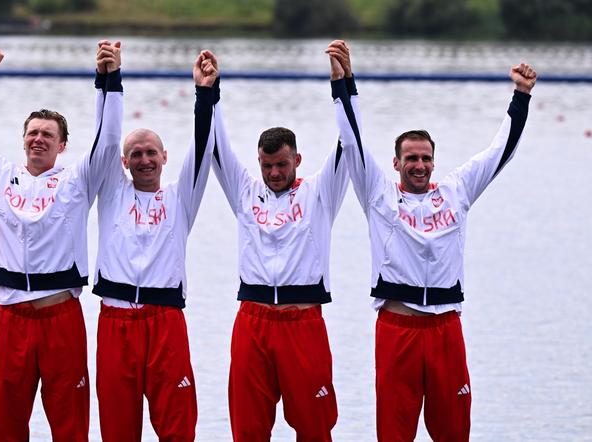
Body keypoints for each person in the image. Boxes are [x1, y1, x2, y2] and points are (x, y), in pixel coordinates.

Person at [332, 44, 537, 441]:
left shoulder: (457, 190)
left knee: (454, 431)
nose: (420, 165)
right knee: (394, 432)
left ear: (434, 161)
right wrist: (344, 84)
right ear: (396, 163)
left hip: (446, 330)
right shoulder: (378, 194)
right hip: (397, 330)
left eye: (426, 158)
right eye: (411, 158)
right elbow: (353, 141)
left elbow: (501, 152)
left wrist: (522, 96)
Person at [0, 43, 123, 441]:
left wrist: (108, 79)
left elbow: (108, 140)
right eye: (33, 133)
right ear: (23, 139)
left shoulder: (78, 180)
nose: (38, 139)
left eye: (48, 135)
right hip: (12, 320)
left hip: (61, 318)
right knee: (7, 425)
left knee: (70, 425)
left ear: (62, 146)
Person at [210, 40, 356, 441]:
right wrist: (209, 93)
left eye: (282, 164)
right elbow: (217, 147)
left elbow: (350, 145)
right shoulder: (244, 191)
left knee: (315, 427)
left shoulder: (320, 193)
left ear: (298, 160)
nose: (274, 173)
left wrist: (343, 85)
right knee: (248, 428)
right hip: (252, 321)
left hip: (302, 323)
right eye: (267, 165)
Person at [92, 49, 220, 441]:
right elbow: (106, 135)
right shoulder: (111, 191)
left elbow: (202, 147)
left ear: (165, 157)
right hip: (116, 324)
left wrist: (205, 92)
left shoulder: (181, 198)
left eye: (151, 153)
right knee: (118, 429)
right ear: (124, 162)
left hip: (166, 321)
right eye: (136, 154)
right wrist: (109, 79)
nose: (144, 159)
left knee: (177, 427)